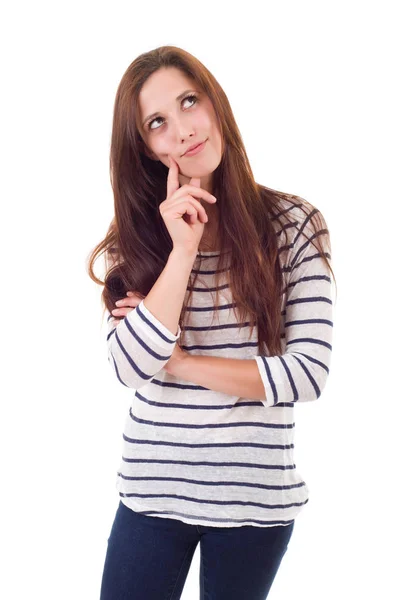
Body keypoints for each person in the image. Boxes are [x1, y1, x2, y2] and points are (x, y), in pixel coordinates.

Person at [87, 45, 336, 600]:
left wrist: (180, 362)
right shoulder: (138, 242)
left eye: (188, 101)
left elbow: (306, 375)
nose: (181, 130)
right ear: (147, 148)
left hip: (254, 501)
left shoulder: (296, 225)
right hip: (152, 494)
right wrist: (182, 251)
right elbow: (129, 368)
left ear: (214, 103)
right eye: (157, 123)